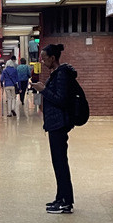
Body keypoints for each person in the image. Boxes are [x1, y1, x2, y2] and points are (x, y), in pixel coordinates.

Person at [30, 44, 78, 214]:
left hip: (59, 125)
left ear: (52, 58)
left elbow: (61, 100)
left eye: (44, 58)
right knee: (58, 163)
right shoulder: (56, 74)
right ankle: (60, 197)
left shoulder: (62, 74)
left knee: (60, 163)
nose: (42, 61)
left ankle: (66, 202)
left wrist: (43, 90)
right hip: (54, 125)